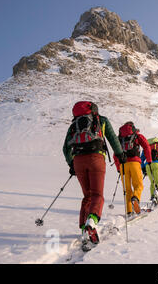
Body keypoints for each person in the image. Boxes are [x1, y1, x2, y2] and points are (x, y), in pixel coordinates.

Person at [63, 101, 126, 245]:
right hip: (96, 158)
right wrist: (120, 155)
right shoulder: (101, 120)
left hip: (78, 161)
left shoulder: (73, 126)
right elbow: (113, 140)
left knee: (87, 196)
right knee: (97, 195)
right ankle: (91, 222)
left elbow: (65, 148)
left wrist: (71, 164)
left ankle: (83, 229)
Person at [113, 121, 152, 215]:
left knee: (127, 189)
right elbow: (146, 146)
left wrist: (118, 167)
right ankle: (136, 198)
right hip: (135, 163)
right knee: (138, 185)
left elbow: (115, 154)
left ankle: (129, 211)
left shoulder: (120, 138)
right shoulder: (137, 136)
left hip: (123, 165)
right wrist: (149, 160)